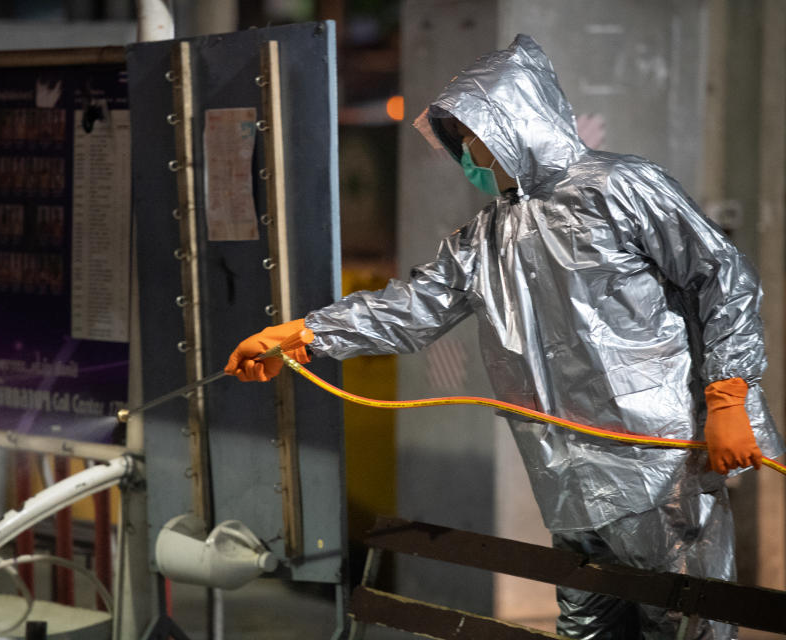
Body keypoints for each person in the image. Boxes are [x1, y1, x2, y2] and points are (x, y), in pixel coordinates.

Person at [224, 34, 784, 639]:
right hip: (567, 476)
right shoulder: (486, 237)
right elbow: (414, 307)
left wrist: (729, 396)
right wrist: (304, 334)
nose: (469, 156)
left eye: (476, 139)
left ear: (521, 123)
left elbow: (722, 278)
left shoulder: (621, 187)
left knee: (685, 624)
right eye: (461, 143)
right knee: (587, 628)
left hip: (660, 464)